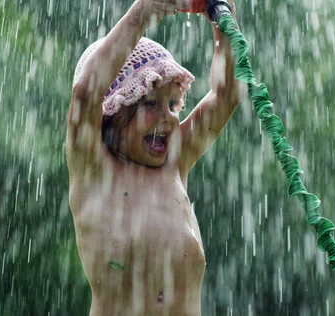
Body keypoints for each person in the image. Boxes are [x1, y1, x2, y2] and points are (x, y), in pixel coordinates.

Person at [66, 0, 241, 315]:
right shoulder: (94, 169)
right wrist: (143, 12)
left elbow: (226, 93)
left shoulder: (175, 160)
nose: (168, 118)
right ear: (114, 110)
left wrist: (222, 15)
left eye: (173, 104)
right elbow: (85, 93)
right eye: (148, 103)